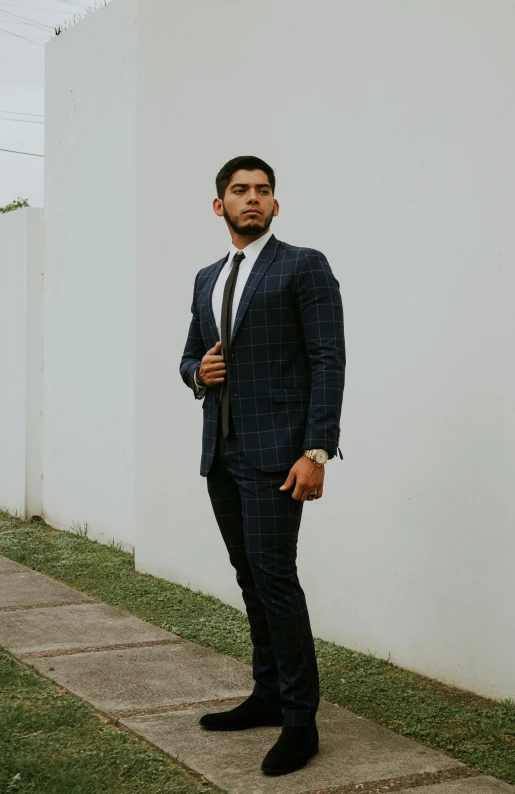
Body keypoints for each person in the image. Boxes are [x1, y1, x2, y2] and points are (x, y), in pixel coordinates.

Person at [179, 155, 345, 776]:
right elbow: (189, 355)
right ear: (219, 205)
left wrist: (316, 450)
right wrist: (199, 373)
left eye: (264, 191)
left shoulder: (303, 265)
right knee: (250, 577)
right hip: (221, 454)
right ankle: (269, 692)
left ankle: (301, 719)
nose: (253, 198)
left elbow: (329, 359)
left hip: (279, 456)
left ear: (276, 204)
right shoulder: (205, 278)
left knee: (276, 578)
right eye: (240, 190)